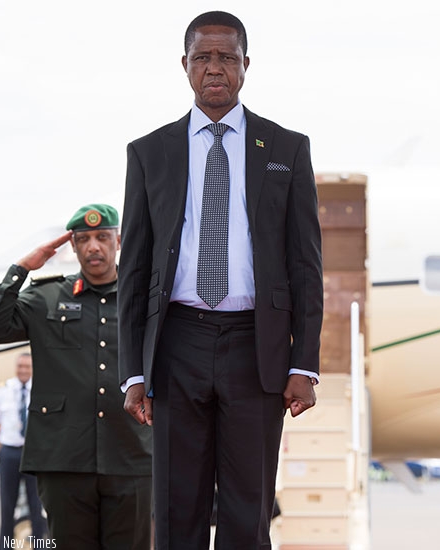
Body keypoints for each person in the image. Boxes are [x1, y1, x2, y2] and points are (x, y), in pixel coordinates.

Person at [118, 10, 323, 548]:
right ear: (184, 66)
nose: (215, 68)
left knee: (247, 509)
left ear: (246, 65)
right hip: (176, 344)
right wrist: (133, 373)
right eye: (203, 57)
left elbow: (306, 266)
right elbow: (134, 269)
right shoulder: (149, 152)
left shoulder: (286, 149)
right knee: (176, 507)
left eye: (227, 57)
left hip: (256, 347)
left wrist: (304, 363)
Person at [0, 204, 153, 549]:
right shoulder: (46, 296)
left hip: (132, 455)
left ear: (118, 241)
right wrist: (21, 269)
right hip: (63, 459)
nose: (94, 246)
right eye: (84, 239)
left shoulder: (143, 299)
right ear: (72, 246)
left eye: (102, 237)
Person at [0, 353, 48, 541]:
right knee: (7, 505)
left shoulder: (41, 391)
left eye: (27, 366)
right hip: (9, 452)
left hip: (33, 452)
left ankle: (40, 544)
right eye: (21, 366)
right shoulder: (3, 391)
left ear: (32, 369)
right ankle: (5, 545)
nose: (23, 370)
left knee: (36, 504)